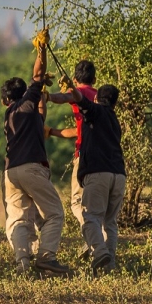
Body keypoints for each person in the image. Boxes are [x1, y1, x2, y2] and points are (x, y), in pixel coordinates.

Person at [0, 28, 69, 275]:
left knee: (18, 218)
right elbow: (37, 75)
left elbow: (40, 115)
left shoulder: (11, 114)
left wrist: (42, 94)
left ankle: (23, 263)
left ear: (3, 101)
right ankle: (47, 257)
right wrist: (41, 49)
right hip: (32, 167)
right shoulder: (26, 103)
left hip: (11, 172)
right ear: (24, 94)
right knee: (54, 214)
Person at [67, 81, 127, 275]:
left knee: (90, 217)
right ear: (115, 103)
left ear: (96, 98)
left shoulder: (96, 111)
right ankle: (109, 265)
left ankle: (100, 252)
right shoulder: (114, 120)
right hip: (118, 175)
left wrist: (71, 86)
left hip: (98, 173)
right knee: (110, 222)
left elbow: (79, 100)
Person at [47, 60, 98, 235]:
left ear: (75, 80)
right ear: (95, 79)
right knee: (96, 203)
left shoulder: (78, 94)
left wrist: (46, 96)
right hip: (103, 156)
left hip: (84, 153)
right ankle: (98, 239)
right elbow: (78, 131)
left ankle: (93, 235)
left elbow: (62, 98)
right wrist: (52, 132)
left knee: (77, 201)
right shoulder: (99, 97)